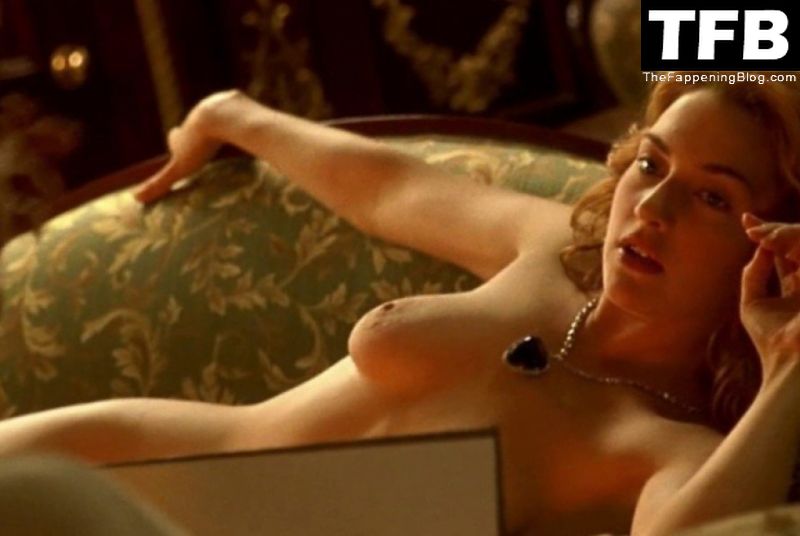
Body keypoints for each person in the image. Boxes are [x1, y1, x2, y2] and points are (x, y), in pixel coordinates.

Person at [1, 75, 800, 536]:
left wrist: (793, 361)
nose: (652, 208)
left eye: (712, 197)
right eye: (651, 165)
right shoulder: (559, 249)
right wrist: (232, 115)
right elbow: (388, 190)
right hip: (149, 459)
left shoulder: (672, 450)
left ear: (770, 244)